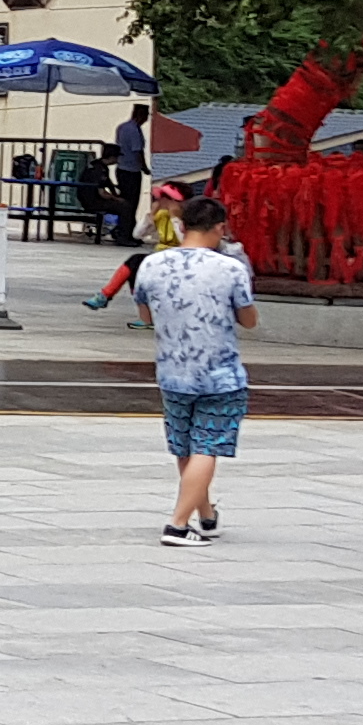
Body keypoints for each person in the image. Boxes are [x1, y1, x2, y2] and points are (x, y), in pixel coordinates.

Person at [131, 197, 258, 547]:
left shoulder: (151, 265)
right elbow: (248, 320)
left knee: (185, 446)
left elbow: (146, 316)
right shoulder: (231, 269)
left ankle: (206, 514)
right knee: (208, 446)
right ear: (220, 228)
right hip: (220, 373)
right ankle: (177, 524)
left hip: (172, 370)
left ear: (181, 226)